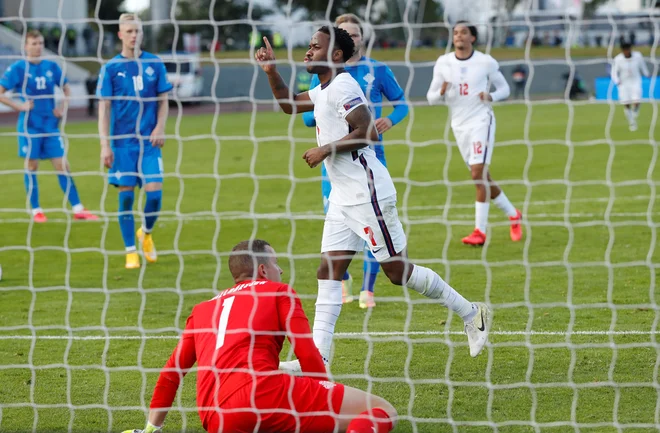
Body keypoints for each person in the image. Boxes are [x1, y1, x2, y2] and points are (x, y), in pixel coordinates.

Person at [255, 26, 490, 374]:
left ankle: (472, 313)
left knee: (396, 273)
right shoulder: (323, 88)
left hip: (368, 194)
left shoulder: (345, 86)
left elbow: (366, 132)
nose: (307, 52)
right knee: (329, 271)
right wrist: (272, 71)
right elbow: (290, 105)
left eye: (314, 47)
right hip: (342, 197)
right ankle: (318, 358)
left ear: (335, 55)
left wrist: (325, 149)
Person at [121, 239, 398, 433]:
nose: (281, 270)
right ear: (263, 270)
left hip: (215, 417)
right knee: (383, 411)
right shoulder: (279, 291)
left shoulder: (202, 309)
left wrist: (151, 428)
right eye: (277, 263)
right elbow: (307, 353)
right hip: (263, 393)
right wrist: (321, 400)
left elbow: (172, 372)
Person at [301, 13, 409, 309]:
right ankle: (343, 289)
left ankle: (368, 289)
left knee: (389, 259)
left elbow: (399, 107)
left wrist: (389, 118)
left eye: (355, 33)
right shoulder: (322, 77)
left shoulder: (372, 71)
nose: (353, 36)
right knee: (329, 268)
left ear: (356, 41)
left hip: (366, 163)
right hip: (337, 175)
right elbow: (306, 116)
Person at [426, 21, 522, 247]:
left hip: (481, 121)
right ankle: (513, 214)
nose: (458, 36)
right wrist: (441, 91)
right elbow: (431, 98)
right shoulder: (443, 62)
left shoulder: (485, 62)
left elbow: (505, 89)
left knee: (478, 174)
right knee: (483, 178)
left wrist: (491, 97)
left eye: (463, 32)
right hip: (458, 126)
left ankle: (480, 231)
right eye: (455, 33)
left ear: (472, 38)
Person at [97, 13, 172, 269]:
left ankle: (146, 233)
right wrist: (104, 144)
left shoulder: (154, 63)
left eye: (137, 31)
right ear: (120, 34)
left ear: (141, 33)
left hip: (149, 143)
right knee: (126, 198)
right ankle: (130, 250)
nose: (133, 35)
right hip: (122, 145)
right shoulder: (110, 68)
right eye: (128, 31)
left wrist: (160, 127)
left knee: (155, 195)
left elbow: (163, 100)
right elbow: (104, 108)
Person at [0, 29, 97, 223]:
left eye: (40, 44)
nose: (38, 47)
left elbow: (67, 88)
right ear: (25, 46)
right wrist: (20, 106)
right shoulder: (18, 68)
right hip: (30, 126)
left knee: (62, 165)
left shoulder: (52, 67)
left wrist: (62, 106)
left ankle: (78, 208)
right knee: (31, 165)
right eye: (34, 44)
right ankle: (36, 210)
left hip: (50, 126)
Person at [611, 41, 649, 132]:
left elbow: (642, 66)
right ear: (622, 50)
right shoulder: (618, 59)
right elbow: (614, 72)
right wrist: (617, 81)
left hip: (636, 81)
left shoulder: (638, 56)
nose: (627, 51)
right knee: (626, 103)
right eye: (625, 50)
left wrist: (646, 73)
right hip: (623, 83)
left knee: (637, 100)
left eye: (628, 49)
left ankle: (635, 111)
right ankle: (632, 122)